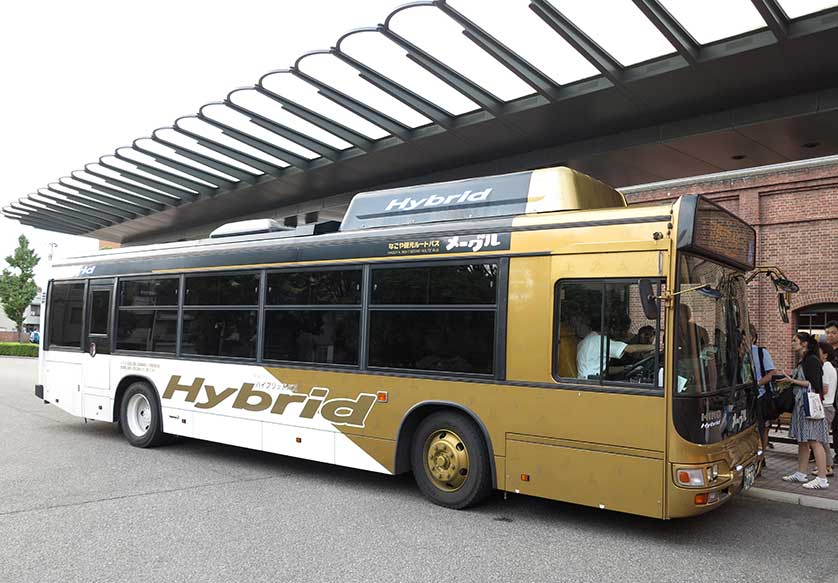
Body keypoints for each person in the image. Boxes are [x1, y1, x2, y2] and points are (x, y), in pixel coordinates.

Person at [779, 332, 830, 489]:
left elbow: (815, 384)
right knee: (803, 441)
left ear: (804, 344)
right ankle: (801, 473)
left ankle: (822, 478)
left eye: (795, 340)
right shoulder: (804, 360)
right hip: (801, 405)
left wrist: (791, 380)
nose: (792, 343)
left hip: (809, 406)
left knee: (814, 441)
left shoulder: (812, 361)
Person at [576, 320, 654, 380]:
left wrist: (627, 368)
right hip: (594, 382)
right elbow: (630, 349)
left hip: (586, 380)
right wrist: (654, 347)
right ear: (608, 328)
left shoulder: (585, 341)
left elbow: (605, 370)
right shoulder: (600, 340)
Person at [750, 325, 777, 452]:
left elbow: (771, 373)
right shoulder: (737, 353)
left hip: (761, 396)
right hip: (744, 396)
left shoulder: (761, 352)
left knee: (762, 428)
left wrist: (758, 383)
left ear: (754, 338)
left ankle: (761, 456)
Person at [819, 341, 837, 477]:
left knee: (822, 438)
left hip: (825, 406)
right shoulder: (830, 367)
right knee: (822, 437)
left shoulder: (825, 367)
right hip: (829, 406)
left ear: (824, 354)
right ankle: (825, 465)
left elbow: (824, 389)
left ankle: (828, 466)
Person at [826, 321, 838, 461]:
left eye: (833, 332)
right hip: (828, 394)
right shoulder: (826, 352)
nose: (830, 335)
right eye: (828, 332)